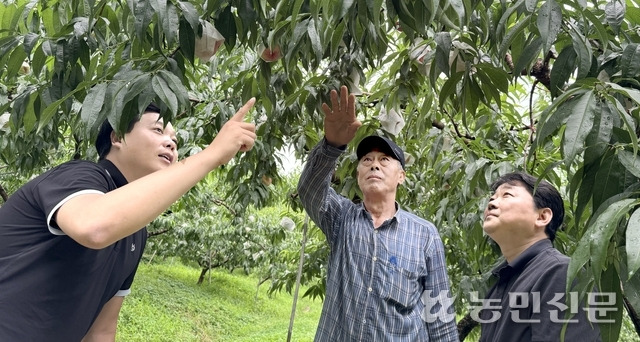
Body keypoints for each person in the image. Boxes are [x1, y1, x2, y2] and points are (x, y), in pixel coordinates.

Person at [0, 100, 257, 341]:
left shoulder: (135, 232)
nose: (171, 144)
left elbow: (102, 329)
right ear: (117, 137)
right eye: (158, 131)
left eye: (175, 140)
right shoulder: (78, 175)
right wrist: (212, 155)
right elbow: (93, 227)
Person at [297, 86, 459, 341]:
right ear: (358, 175)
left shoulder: (425, 234)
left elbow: (439, 315)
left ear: (401, 177)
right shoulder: (342, 219)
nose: (374, 164)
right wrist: (332, 146)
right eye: (366, 160)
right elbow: (309, 190)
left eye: (384, 160)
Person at [478, 171, 601, 341]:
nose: (491, 202)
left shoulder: (562, 274)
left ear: (542, 216)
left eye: (507, 194)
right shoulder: (500, 284)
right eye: (492, 197)